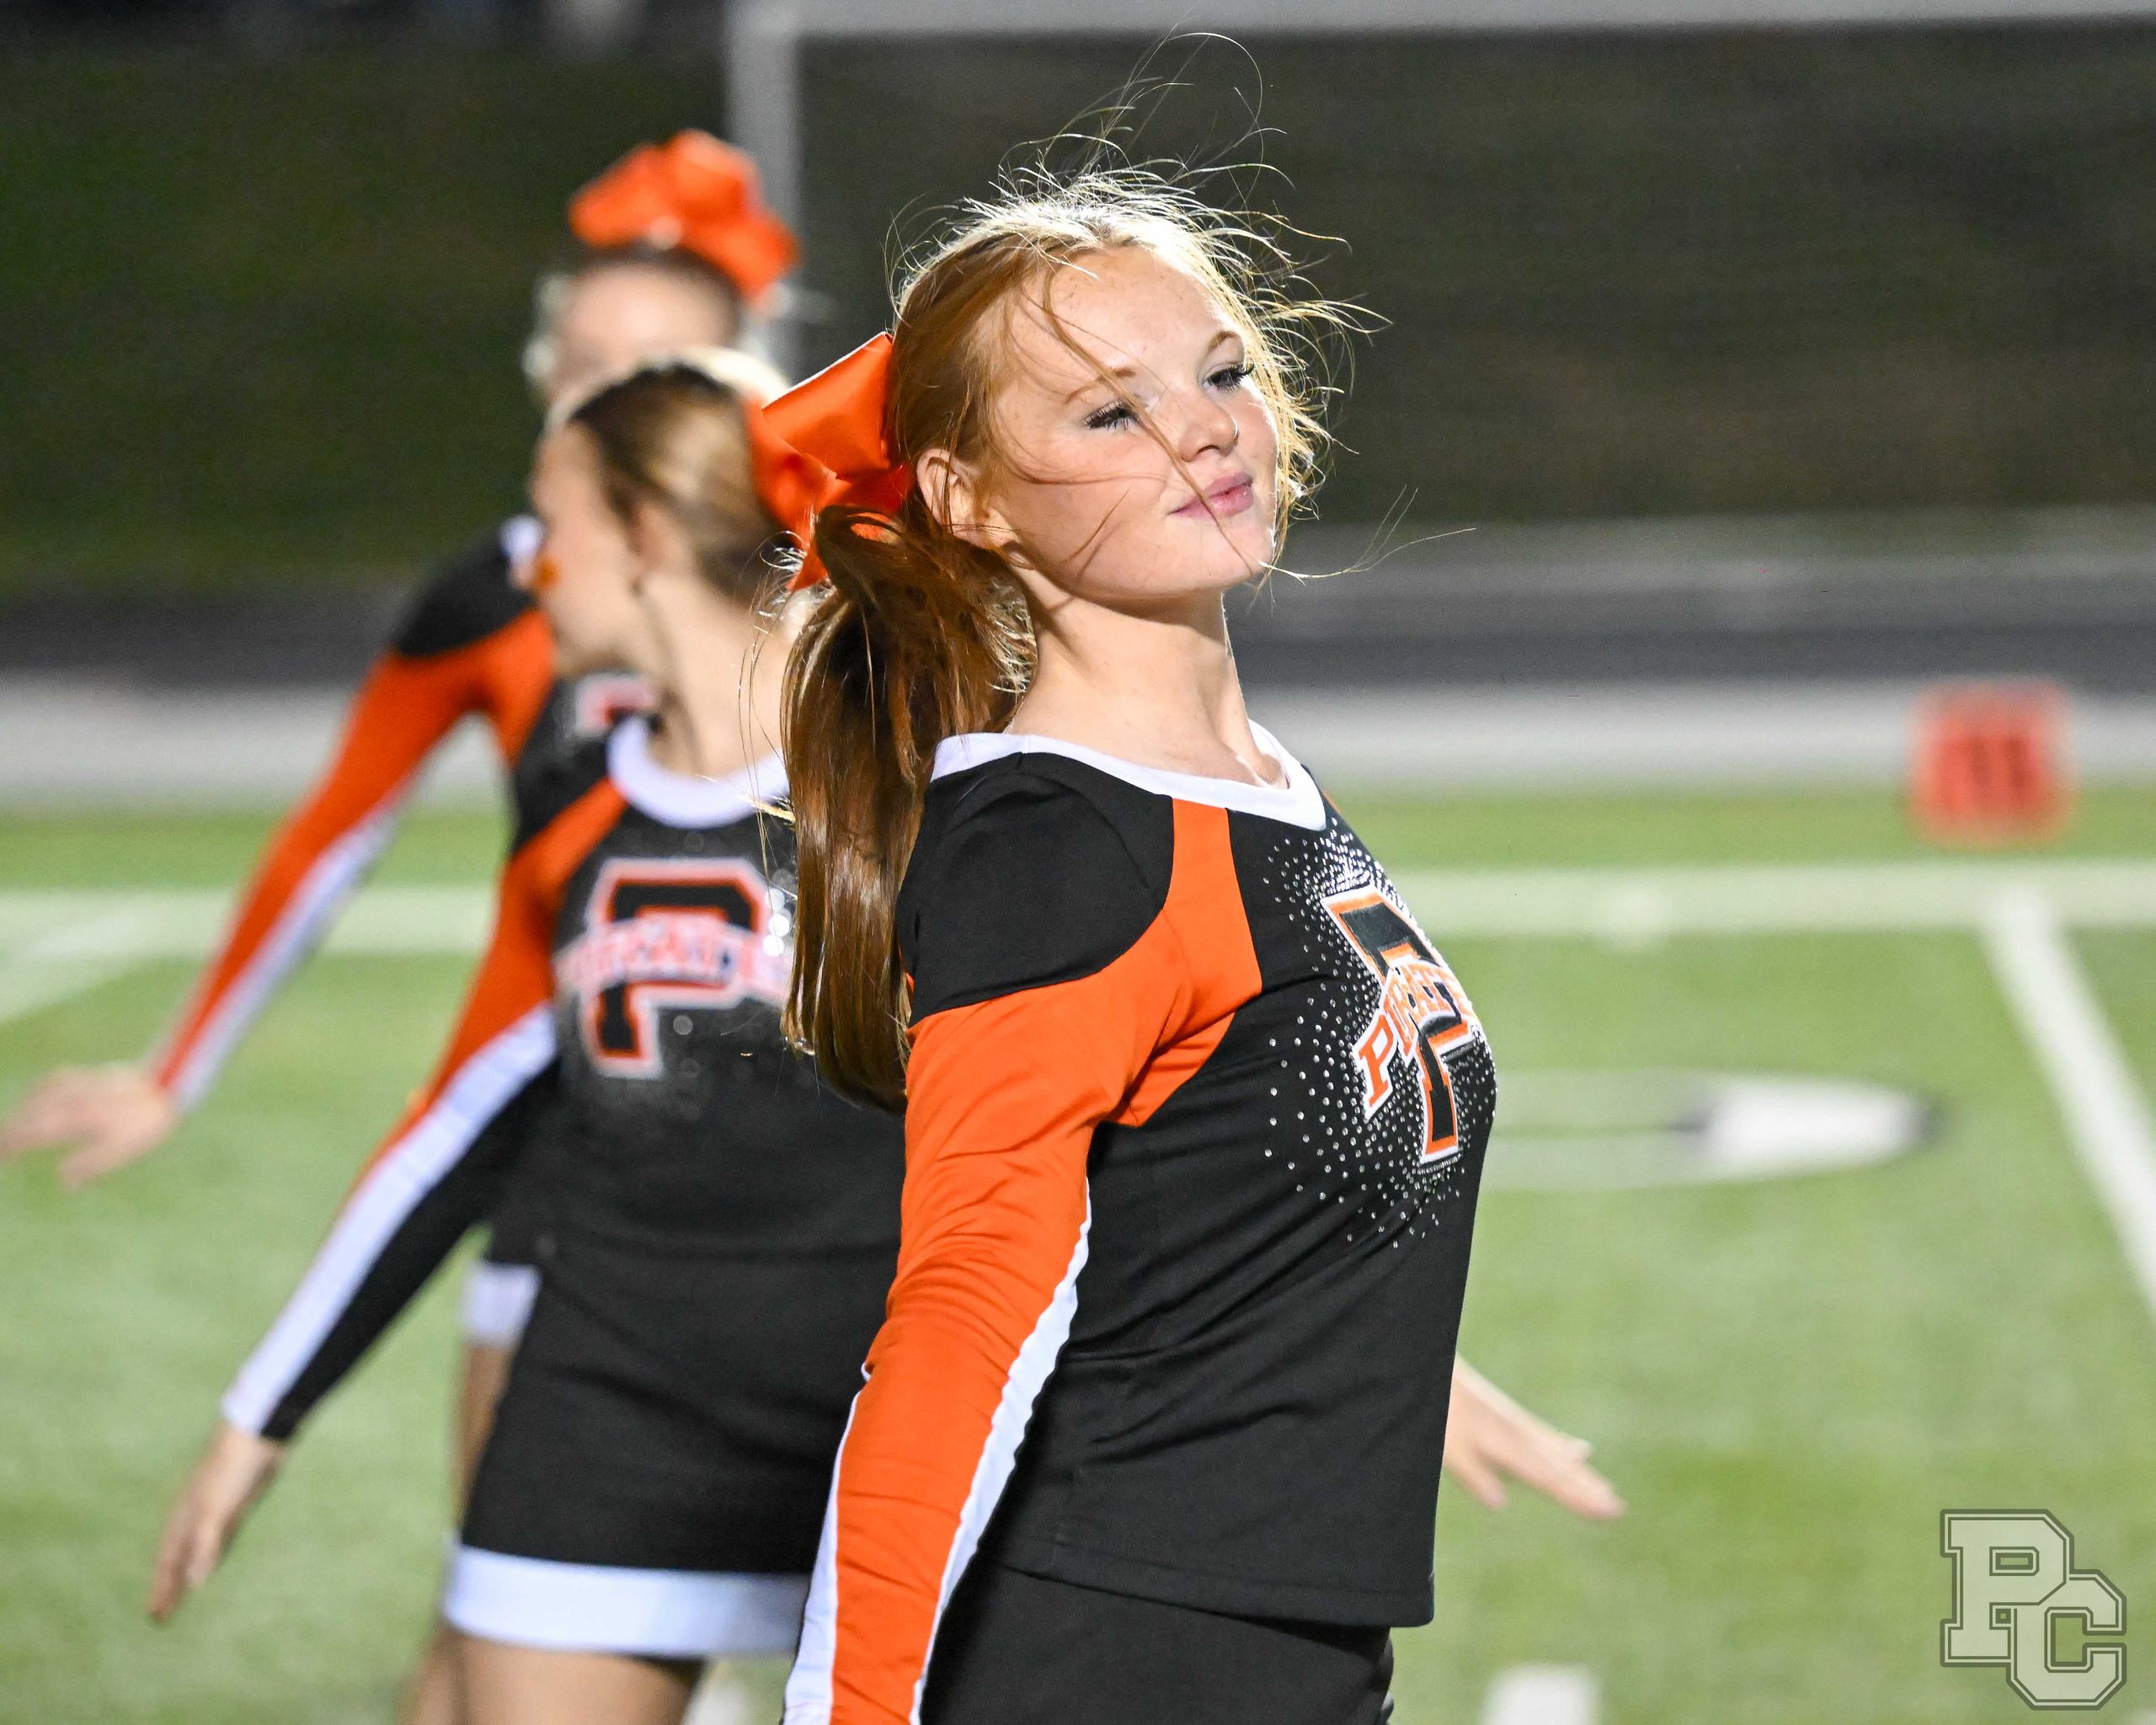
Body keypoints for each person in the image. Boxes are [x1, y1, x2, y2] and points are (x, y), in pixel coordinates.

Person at [0, 132, 799, 1725]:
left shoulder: (864, 633)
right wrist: (175, 1070)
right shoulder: (505, 598)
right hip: (563, 1125)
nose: (599, 399)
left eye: (648, 371)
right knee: (493, 1622)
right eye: (581, 364)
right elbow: (330, 838)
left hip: (813, 1185)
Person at [770, 168, 1545, 1723]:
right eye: (1108, 413)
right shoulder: (1068, 851)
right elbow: (959, 1335)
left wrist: (1377, 1351)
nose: (1202, 430)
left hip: (1268, 1649)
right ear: (969, 500)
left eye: (1222, 373)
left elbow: (1204, 1173)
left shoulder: (1245, 783)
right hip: (1116, 1659)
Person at [145, 358, 901, 1725]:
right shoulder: (571, 808)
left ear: (645, 536)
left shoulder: (911, 771)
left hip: (895, 1414)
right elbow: (458, 1126)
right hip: (612, 1417)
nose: (532, 570)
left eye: (554, 529)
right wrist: (262, 1412)